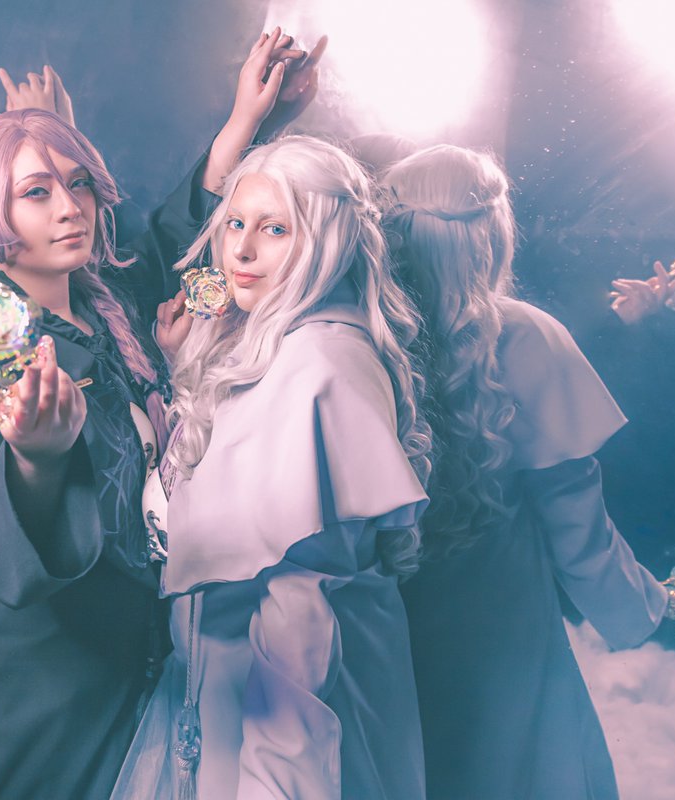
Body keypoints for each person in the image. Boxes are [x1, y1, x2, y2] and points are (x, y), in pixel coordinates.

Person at [0, 29, 321, 799]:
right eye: (37, 192)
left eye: (80, 183)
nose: (71, 208)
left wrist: (247, 124)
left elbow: (174, 254)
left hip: (111, 649)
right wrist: (34, 460)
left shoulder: (100, 299)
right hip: (25, 667)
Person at [112, 135, 432, 800]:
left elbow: (300, 636)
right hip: (215, 711)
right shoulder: (266, 341)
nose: (242, 251)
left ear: (327, 242)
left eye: (275, 229)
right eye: (234, 224)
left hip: (272, 747)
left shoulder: (323, 370)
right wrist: (184, 364)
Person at [380, 144, 668, 800]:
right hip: (502, 618)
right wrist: (642, 610)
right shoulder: (529, 335)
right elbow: (578, 525)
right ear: (492, 237)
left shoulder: (354, 336)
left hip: (387, 614)